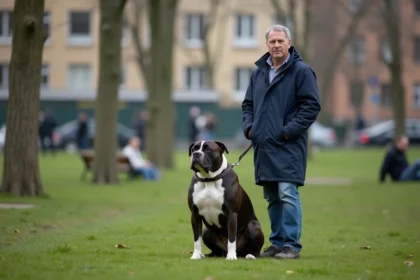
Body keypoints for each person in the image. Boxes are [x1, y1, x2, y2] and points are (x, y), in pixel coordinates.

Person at [241, 24, 321, 259]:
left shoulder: (302, 72)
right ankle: (277, 243)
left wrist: (287, 131)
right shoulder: (258, 73)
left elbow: (311, 106)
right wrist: (249, 129)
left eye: (280, 41)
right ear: (267, 45)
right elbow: (248, 105)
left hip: (289, 146)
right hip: (264, 147)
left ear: (289, 43)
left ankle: (291, 246)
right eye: (272, 41)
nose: (276, 45)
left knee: (287, 193)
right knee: (272, 197)